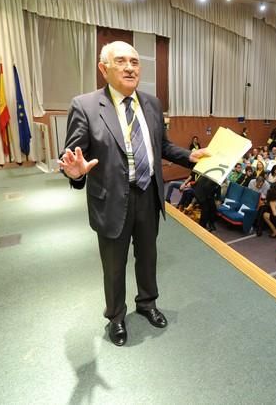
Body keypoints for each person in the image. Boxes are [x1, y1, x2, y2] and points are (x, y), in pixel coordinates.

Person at [60, 41, 208, 347]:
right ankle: (115, 316)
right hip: (112, 199)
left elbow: (161, 146)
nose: (130, 68)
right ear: (104, 69)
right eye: (121, 62)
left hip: (148, 195)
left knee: (147, 257)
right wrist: (73, 173)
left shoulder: (152, 103)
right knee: (113, 265)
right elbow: (73, 156)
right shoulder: (85, 105)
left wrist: (189, 156)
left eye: (135, 62)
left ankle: (147, 303)